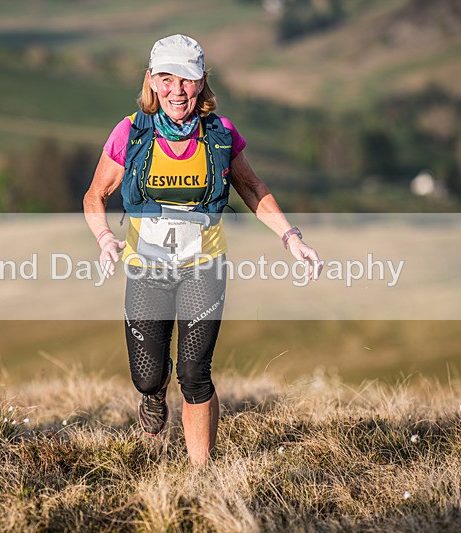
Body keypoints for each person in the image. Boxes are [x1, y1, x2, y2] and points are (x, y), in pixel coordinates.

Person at [83, 34, 320, 464]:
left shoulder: (221, 135)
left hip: (203, 268)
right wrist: (104, 239)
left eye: (188, 80)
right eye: (167, 79)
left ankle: (202, 474)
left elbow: (251, 187)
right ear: (151, 81)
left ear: (202, 81)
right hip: (146, 269)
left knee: (195, 373)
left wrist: (291, 237)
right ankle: (154, 395)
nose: (177, 91)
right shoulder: (130, 133)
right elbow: (95, 195)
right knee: (146, 375)